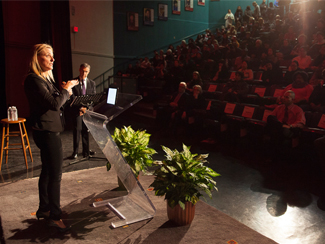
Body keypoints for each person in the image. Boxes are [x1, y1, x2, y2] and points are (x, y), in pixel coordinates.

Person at [24, 43, 78, 232]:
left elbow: (58, 102)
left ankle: (44, 209)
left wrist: (66, 92)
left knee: (47, 172)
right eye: (48, 56)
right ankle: (55, 216)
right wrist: (67, 89)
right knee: (55, 174)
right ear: (38, 58)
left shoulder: (44, 80)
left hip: (48, 130)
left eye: (52, 56)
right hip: (47, 132)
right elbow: (55, 104)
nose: (52, 59)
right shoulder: (34, 79)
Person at [69, 63, 96, 159]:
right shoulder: (73, 82)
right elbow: (71, 98)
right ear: (79, 70)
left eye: (86, 72)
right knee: (77, 131)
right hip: (77, 111)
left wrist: (86, 109)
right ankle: (75, 152)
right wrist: (80, 108)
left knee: (86, 131)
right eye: (83, 71)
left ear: (89, 72)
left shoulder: (92, 83)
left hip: (86, 111)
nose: (84, 73)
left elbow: (93, 99)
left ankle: (86, 151)